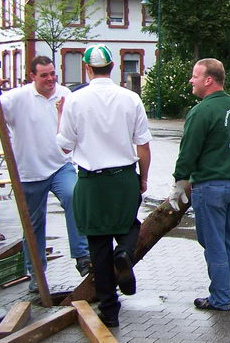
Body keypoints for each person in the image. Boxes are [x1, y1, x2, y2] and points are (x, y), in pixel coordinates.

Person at [56, 45, 151, 327]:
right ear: (114, 67)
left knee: (97, 244)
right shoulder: (131, 98)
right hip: (123, 176)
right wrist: (142, 179)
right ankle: (123, 252)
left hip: (91, 180)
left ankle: (110, 310)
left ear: (87, 68)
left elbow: (64, 147)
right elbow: (143, 145)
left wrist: (60, 115)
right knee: (130, 225)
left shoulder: (75, 99)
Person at [0, 56, 90, 290]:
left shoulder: (65, 94)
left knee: (73, 197)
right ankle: (36, 273)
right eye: (44, 75)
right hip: (28, 171)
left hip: (60, 165)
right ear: (32, 76)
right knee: (33, 224)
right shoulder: (16, 98)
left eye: (52, 74)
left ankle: (82, 257)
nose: (50, 79)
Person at [168, 58, 230, 310]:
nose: (191, 80)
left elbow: (189, 150)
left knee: (213, 243)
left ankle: (221, 298)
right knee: (227, 239)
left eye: (195, 76)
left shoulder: (202, 110)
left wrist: (180, 181)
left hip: (210, 186)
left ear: (209, 80)